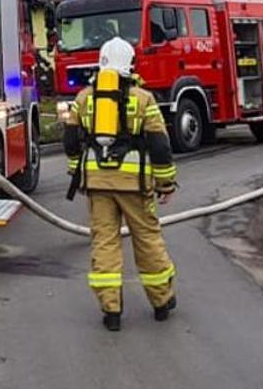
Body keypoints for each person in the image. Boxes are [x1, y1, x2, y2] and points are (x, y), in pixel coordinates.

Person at [62, 37, 178, 332]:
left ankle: (111, 310)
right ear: (131, 64)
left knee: (104, 242)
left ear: (101, 62)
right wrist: (165, 184)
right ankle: (161, 302)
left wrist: (77, 172)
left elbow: (71, 141)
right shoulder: (144, 99)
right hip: (135, 184)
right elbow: (160, 146)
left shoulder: (84, 98)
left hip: (97, 183)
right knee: (147, 239)